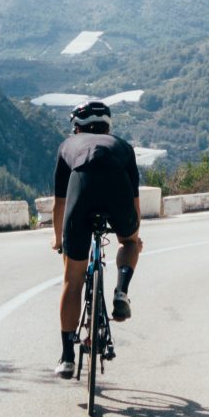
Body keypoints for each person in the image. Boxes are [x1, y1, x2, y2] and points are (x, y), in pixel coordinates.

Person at [51, 99, 143, 379]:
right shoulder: (123, 147)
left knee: (73, 278)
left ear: (76, 127)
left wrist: (59, 241)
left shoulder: (68, 146)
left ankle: (67, 357)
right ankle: (121, 291)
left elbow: (59, 203)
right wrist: (132, 237)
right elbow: (136, 204)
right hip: (118, 190)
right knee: (129, 243)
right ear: (107, 126)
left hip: (82, 192)